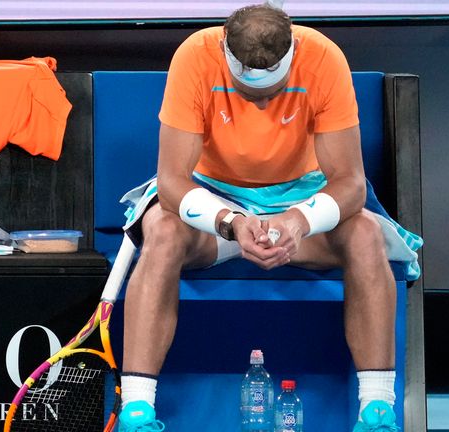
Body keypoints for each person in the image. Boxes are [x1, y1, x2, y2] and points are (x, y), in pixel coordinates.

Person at [116, 3, 423, 432]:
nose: (260, 106)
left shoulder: (323, 58)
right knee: (162, 231)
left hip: (300, 204)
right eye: (249, 94)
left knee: (366, 234)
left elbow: (350, 184)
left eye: (270, 94)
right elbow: (171, 184)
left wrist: (298, 221)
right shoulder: (194, 56)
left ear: (293, 49)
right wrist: (230, 222)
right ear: (224, 45)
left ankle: (377, 412)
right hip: (214, 203)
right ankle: (137, 411)